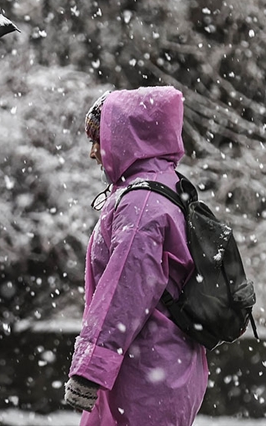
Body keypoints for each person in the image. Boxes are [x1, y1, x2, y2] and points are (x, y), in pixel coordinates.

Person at [64, 87, 208, 425]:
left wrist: (90, 368)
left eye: (99, 140)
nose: (93, 153)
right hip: (162, 367)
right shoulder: (165, 186)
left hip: (145, 376)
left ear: (125, 138)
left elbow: (124, 291)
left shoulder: (141, 203)